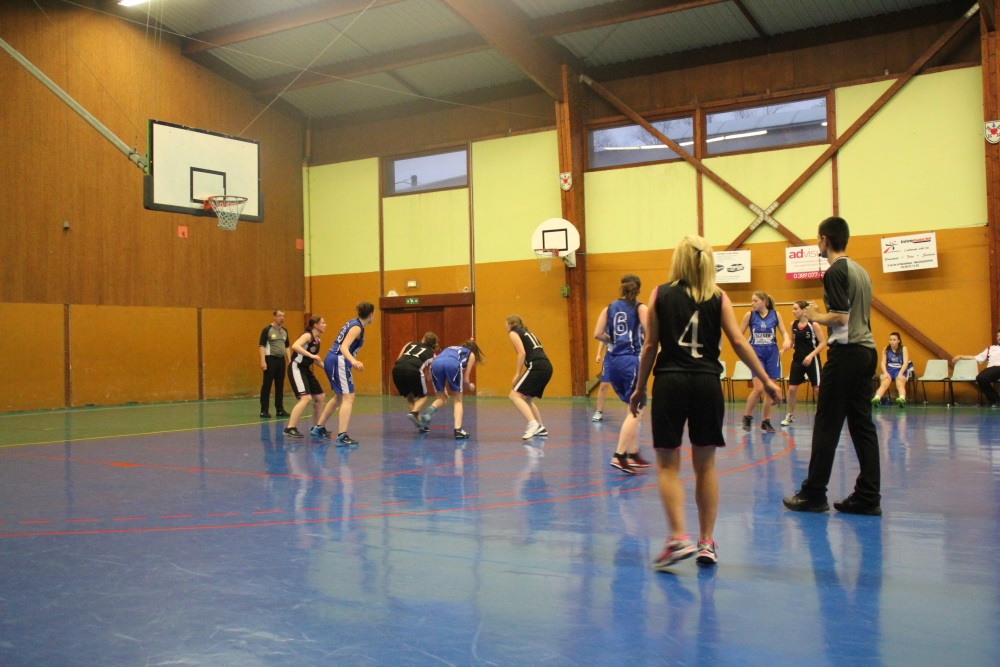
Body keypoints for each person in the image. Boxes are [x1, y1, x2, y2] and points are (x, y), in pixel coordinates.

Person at [629, 235, 780, 570]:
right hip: (707, 383)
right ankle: (707, 542)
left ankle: (677, 537)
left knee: (668, 466)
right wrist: (766, 379)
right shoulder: (719, 296)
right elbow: (738, 341)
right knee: (706, 466)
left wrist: (639, 388)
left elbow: (650, 345)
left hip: (670, 381)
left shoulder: (660, 294)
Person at [783, 216, 882, 516]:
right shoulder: (861, 271)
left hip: (847, 354)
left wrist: (814, 315)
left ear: (825, 239)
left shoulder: (835, 271)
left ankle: (814, 494)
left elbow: (840, 317)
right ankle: (868, 496)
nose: (817, 243)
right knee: (862, 425)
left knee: (827, 423)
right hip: (867, 352)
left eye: (818, 238)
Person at [593, 274, 650, 474]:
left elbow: (597, 334)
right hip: (631, 360)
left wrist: (615, 340)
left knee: (630, 408)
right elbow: (650, 333)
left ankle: (633, 453)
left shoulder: (608, 308)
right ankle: (619, 455)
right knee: (636, 410)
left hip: (613, 361)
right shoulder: (640, 308)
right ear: (638, 289)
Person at [314, 302, 375, 446]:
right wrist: (353, 361)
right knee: (349, 397)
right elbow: (343, 347)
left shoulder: (353, 323)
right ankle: (342, 436)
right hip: (339, 360)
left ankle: (319, 427)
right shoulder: (356, 327)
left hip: (333, 359)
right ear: (371, 314)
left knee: (339, 397)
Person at [740, 291, 790, 433]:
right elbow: (738, 334)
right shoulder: (749, 315)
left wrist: (786, 340)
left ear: (764, 302)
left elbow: (784, 332)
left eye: (755, 300)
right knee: (759, 389)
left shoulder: (775, 314)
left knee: (770, 390)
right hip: (756, 354)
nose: (752, 303)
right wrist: (745, 349)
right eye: (752, 301)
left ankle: (766, 421)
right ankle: (747, 416)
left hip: (772, 353)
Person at [422, 339, 486, 439]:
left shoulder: (450, 349)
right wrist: (470, 386)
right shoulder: (471, 354)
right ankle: (458, 430)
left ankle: (431, 409)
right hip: (452, 364)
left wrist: (443, 388)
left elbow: (441, 366)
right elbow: (466, 380)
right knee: (458, 400)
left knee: (441, 398)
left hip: (435, 364)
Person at [507, 315, 553, 440]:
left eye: (506, 324)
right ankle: (540, 427)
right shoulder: (527, 333)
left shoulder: (513, 332)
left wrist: (517, 373)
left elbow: (522, 353)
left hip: (537, 366)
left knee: (514, 396)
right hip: (546, 366)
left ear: (510, 324)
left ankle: (532, 423)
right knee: (526, 399)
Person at [781, 300, 827, 426]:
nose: (793, 311)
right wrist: (784, 348)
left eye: (795, 309)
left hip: (812, 359)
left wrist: (811, 356)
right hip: (797, 359)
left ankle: (824, 416)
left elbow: (823, 343)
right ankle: (790, 415)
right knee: (792, 388)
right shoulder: (793, 324)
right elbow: (792, 342)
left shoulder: (814, 325)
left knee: (817, 389)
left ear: (803, 310)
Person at [283, 315, 327, 439]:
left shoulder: (318, 340)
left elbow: (315, 359)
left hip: (306, 370)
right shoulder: (307, 335)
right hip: (296, 367)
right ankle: (290, 428)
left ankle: (317, 427)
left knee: (320, 397)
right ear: (315, 325)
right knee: (306, 398)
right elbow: (295, 346)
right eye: (323, 323)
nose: (325, 325)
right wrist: (311, 355)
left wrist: (327, 369)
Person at [392, 331, 439, 433]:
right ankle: (414, 413)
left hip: (397, 369)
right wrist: (426, 380)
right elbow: (430, 374)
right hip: (413, 370)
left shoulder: (410, 344)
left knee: (410, 396)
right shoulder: (432, 354)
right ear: (434, 344)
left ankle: (419, 424)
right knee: (423, 396)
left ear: (423, 339)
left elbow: (398, 359)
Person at [951, 329, 1000, 408]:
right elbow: (977, 358)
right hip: (993, 369)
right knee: (981, 378)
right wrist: (960, 356)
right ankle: (996, 400)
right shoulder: (991, 348)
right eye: (998, 336)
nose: (999, 337)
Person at [258, 309, 291, 418]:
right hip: (270, 359)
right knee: (267, 385)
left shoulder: (285, 331)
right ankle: (264, 410)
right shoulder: (267, 330)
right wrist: (263, 361)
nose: (282, 318)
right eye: (280, 315)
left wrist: (289, 360)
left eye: (283, 316)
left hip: (281, 361)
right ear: (274, 317)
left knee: (280, 385)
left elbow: (287, 346)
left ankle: (279, 409)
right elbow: (261, 346)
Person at [872, 332, 913, 407]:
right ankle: (877, 399)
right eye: (890, 340)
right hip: (889, 369)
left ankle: (902, 399)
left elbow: (905, 363)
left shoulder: (903, 348)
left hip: (900, 369)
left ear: (898, 341)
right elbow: (883, 363)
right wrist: (885, 373)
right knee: (884, 383)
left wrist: (900, 374)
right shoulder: (886, 350)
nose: (892, 341)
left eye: (894, 340)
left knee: (900, 383)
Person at [592, 343, 611, 422]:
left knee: (629, 384)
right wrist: (598, 354)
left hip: (625, 356)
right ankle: (599, 411)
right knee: (604, 385)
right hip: (610, 357)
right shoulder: (608, 333)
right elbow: (602, 340)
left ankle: (634, 412)